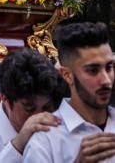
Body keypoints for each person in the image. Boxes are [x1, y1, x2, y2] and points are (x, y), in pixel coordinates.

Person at [23, 22, 115, 163]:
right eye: (93, 70)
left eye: (109, 67)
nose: (106, 80)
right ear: (67, 75)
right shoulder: (45, 141)